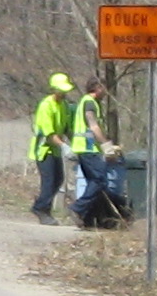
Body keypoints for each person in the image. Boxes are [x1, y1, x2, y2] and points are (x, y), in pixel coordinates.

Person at [28, 73, 75, 223]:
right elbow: (49, 134)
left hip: (55, 149)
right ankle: (41, 209)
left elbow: (67, 128)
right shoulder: (46, 106)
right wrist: (64, 146)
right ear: (54, 89)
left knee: (58, 180)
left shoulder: (64, 105)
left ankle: (42, 207)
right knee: (49, 182)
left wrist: (75, 144)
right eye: (61, 90)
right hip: (43, 150)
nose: (64, 93)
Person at [70, 76, 116, 227]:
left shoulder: (90, 102)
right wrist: (106, 145)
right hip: (88, 148)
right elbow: (93, 126)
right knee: (99, 180)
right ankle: (77, 208)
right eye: (104, 88)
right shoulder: (90, 103)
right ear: (98, 88)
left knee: (94, 182)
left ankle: (89, 219)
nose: (106, 92)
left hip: (85, 147)